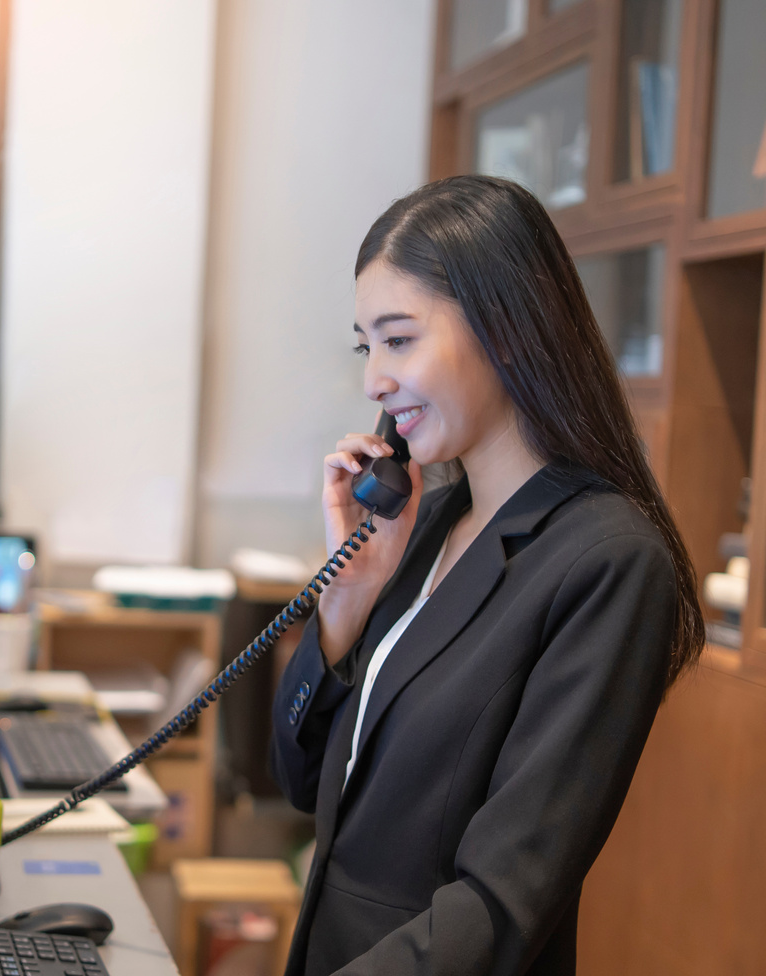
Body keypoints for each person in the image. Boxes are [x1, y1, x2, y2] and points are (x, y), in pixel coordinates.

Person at [270, 175, 705, 976]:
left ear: (505, 328)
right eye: (367, 347)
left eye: (400, 340)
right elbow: (302, 785)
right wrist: (347, 602)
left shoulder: (607, 562)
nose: (373, 381)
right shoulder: (425, 523)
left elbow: (501, 904)